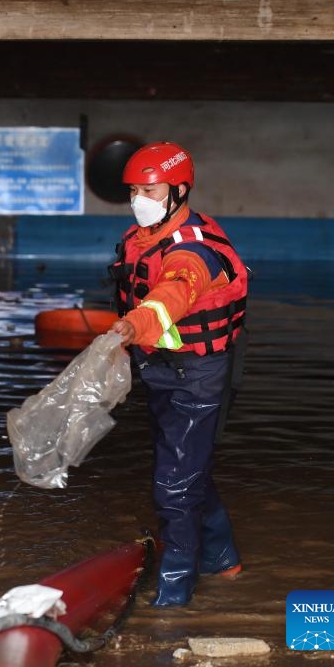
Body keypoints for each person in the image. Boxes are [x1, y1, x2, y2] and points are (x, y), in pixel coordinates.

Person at [108, 141, 249, 607]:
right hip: (160, 368)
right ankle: (222, 559)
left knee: (174, 485)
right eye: (133, 191)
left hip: (198, 373)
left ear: (180, 189)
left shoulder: (193, 251)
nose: (138, 200)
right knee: (187, 470)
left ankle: (172, 601)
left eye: (149, 189)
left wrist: (133, 325)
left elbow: (172, 295)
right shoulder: (141, 238)